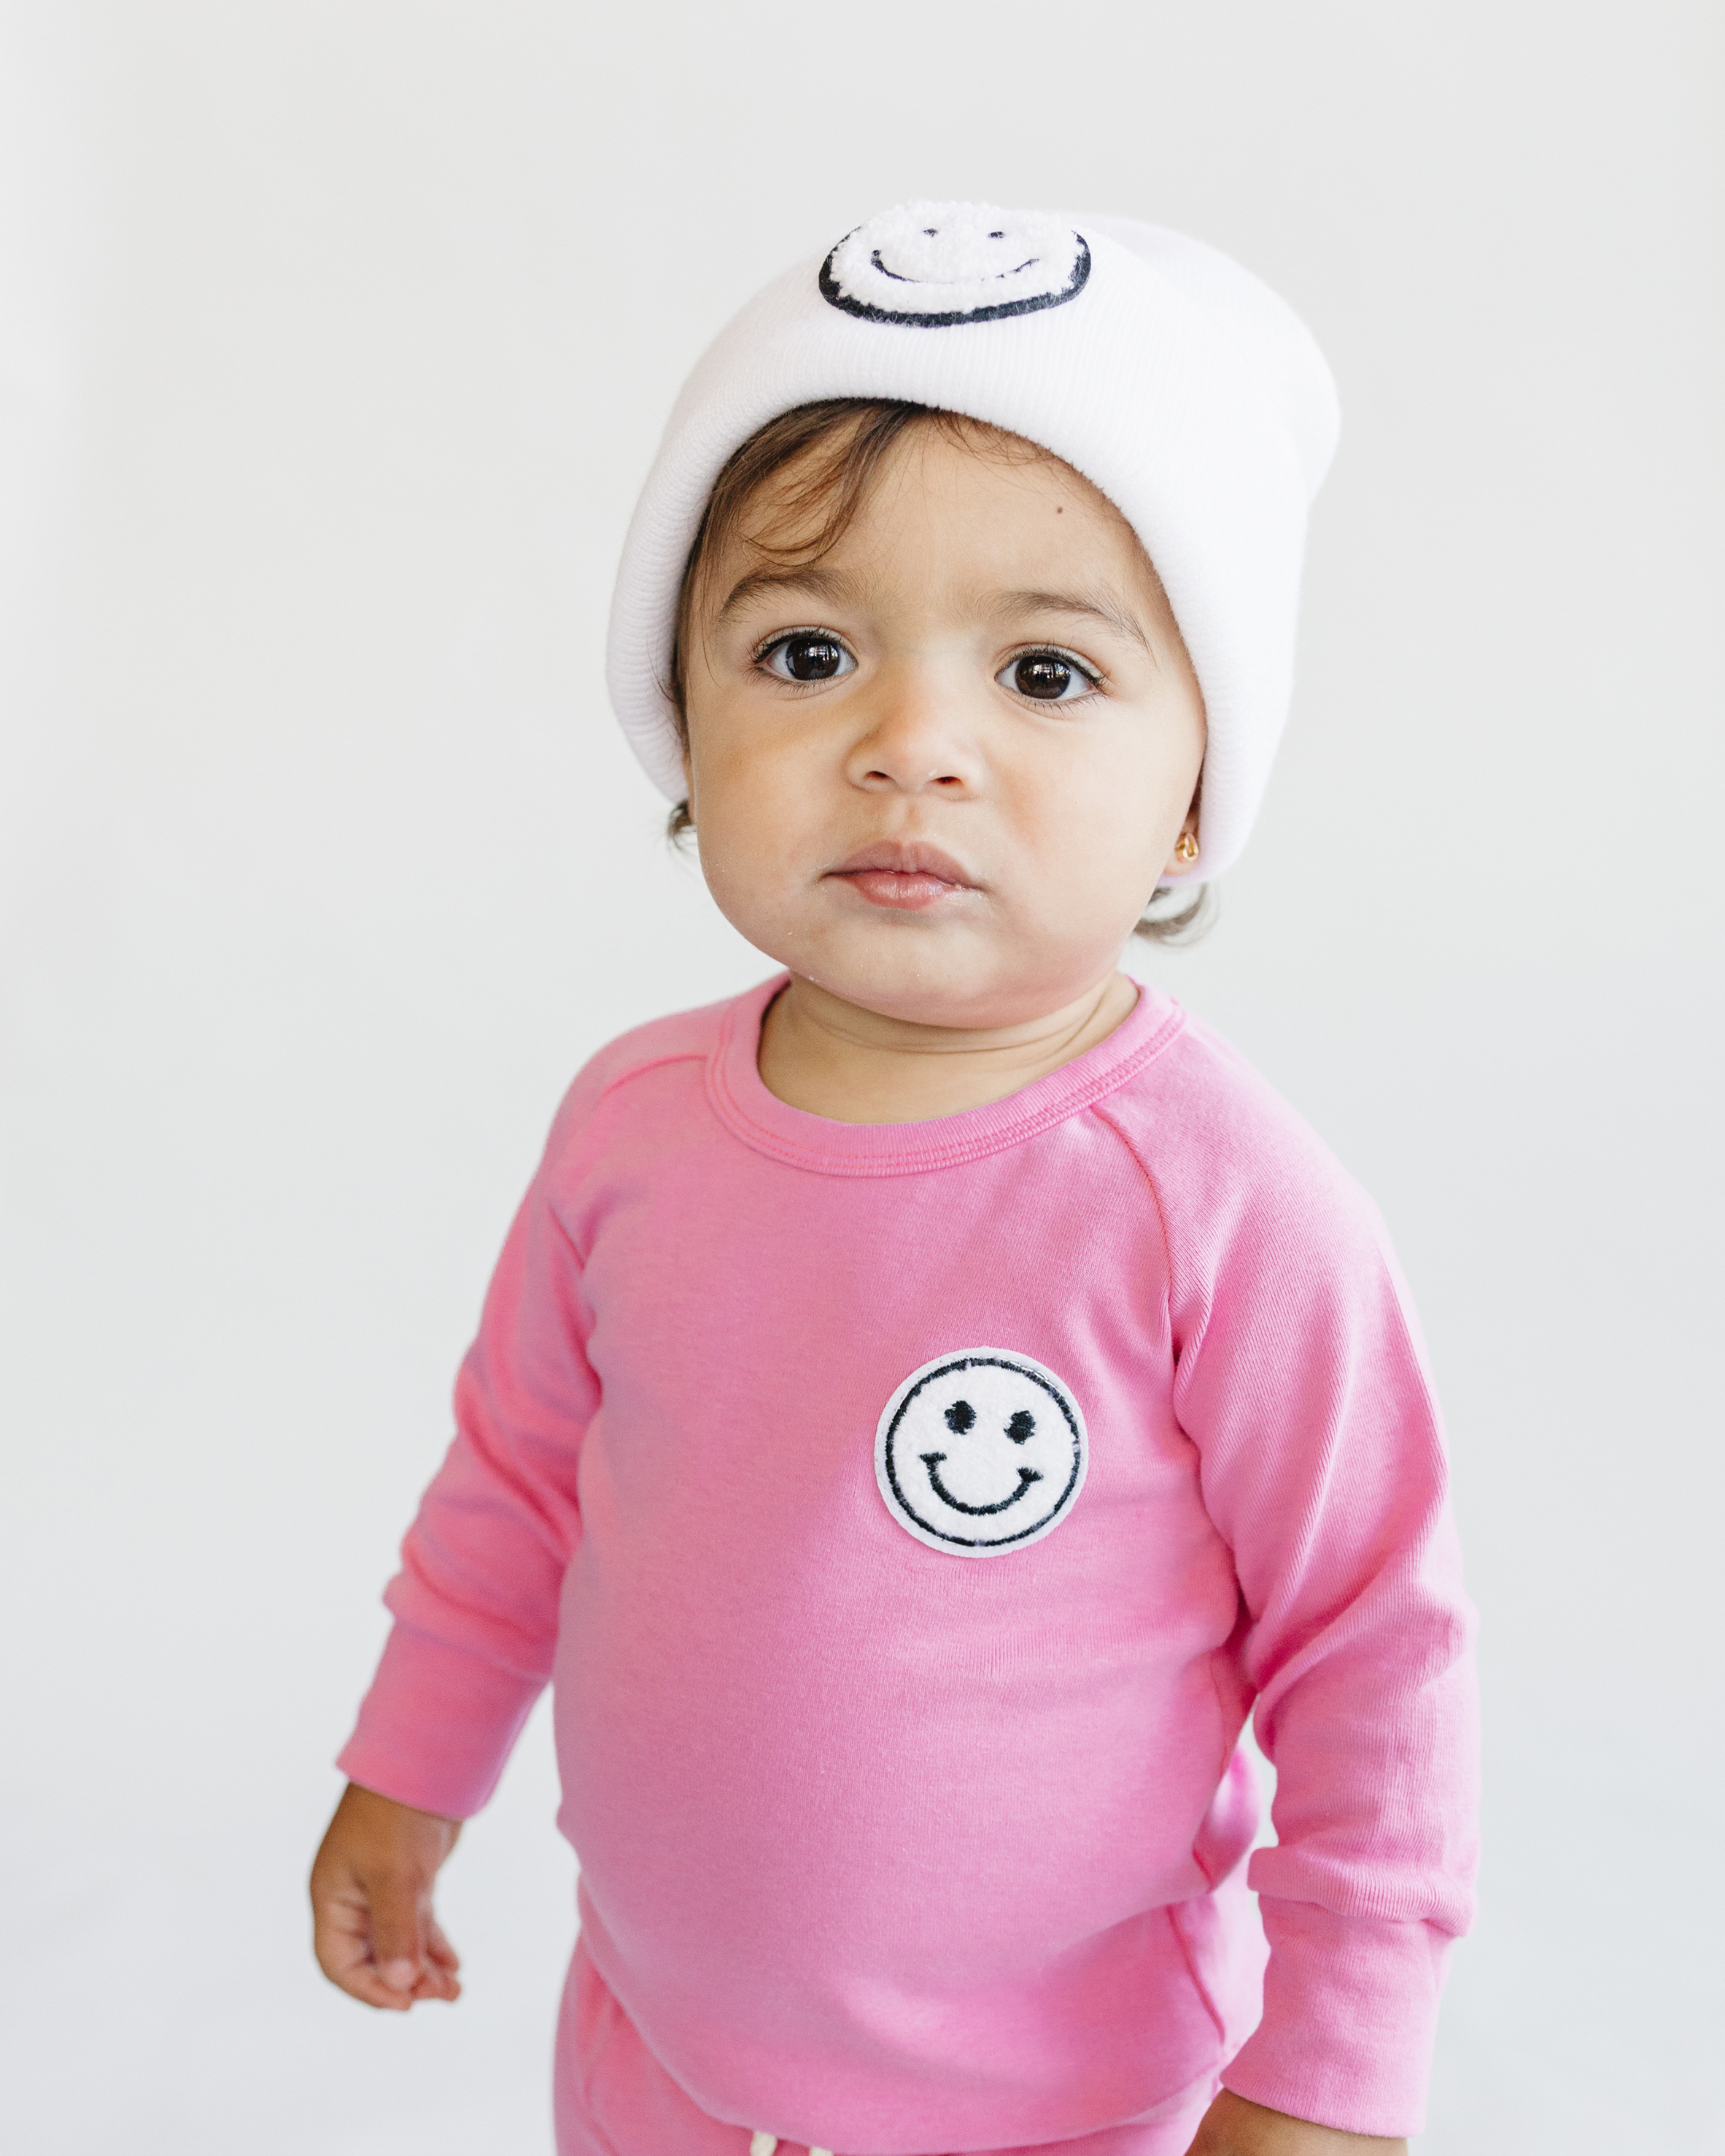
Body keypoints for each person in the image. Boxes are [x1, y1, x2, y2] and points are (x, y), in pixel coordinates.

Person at [310, 201, 1478, 2156]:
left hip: (1065, 2108)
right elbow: (518, 1480)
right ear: (680, 718)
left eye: (1046, 674)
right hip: (654, 2062)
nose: (910, 744)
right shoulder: (630, 1126)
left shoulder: (1222, 1203)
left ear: (1198, 793)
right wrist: (410, 1765)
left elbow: (1376, 1654)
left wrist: (1330, 2077)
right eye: (806, 651)